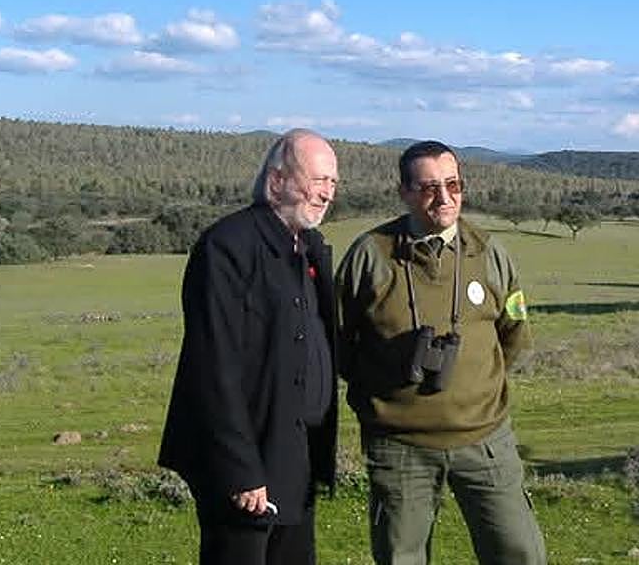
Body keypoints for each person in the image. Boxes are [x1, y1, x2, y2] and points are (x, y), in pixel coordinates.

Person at [336, 140, 546, 565]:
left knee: (520, 551)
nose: (445, 198)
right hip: (399, 447)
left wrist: (474, 390)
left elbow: (514, 336)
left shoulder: (489, 252)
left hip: (485, 441)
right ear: (405, 192)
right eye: (429, 187)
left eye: (453, 184)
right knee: (401, 557)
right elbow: (336, 343)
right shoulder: (371, 256)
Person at [159, 129, 340, 565]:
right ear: (276, 181)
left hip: (295, 453)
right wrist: (241, 471)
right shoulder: (227, 246)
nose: (326, 193)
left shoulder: (309, 247)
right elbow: (212, 366)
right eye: (316, 180)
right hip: (244, 463)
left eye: (333, 182)